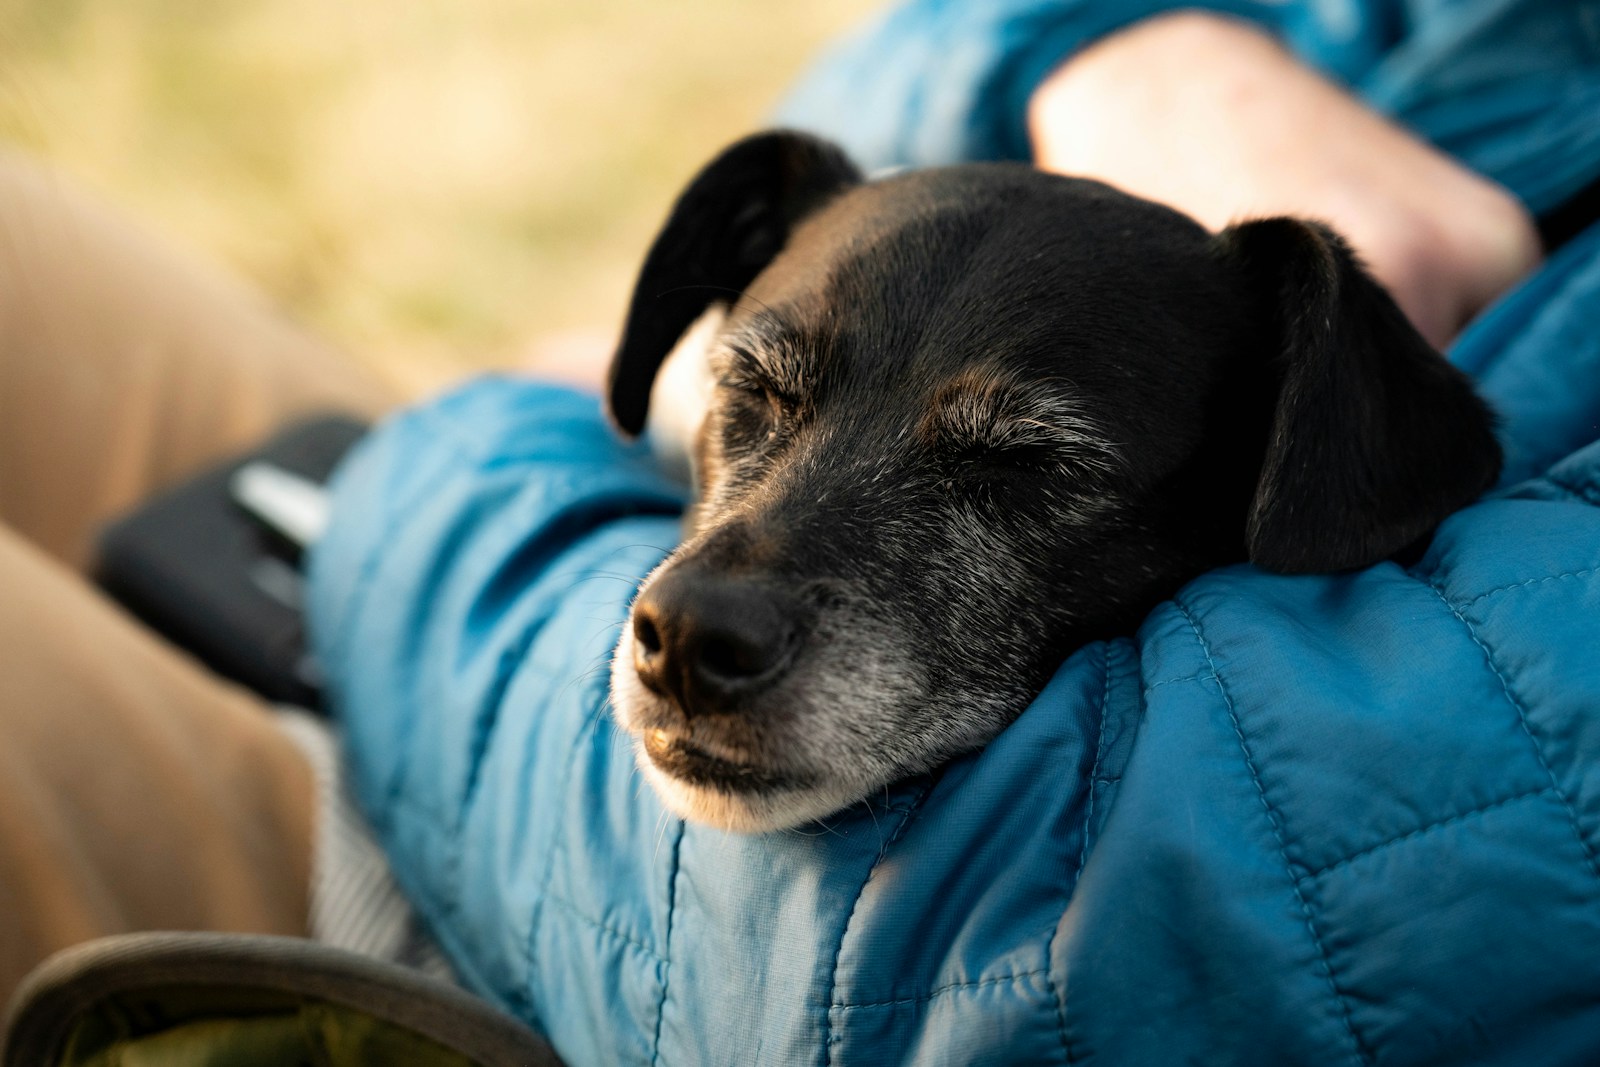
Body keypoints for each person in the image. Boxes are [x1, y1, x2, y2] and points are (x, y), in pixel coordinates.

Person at [4, 0, 1600, 1062]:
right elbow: (872, 177)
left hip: (470, 914)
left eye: (1015, 474)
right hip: (499, 555)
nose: (698, 609)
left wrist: (435, 471)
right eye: (749, 402)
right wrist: (1091, 43)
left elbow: (1001, 953)